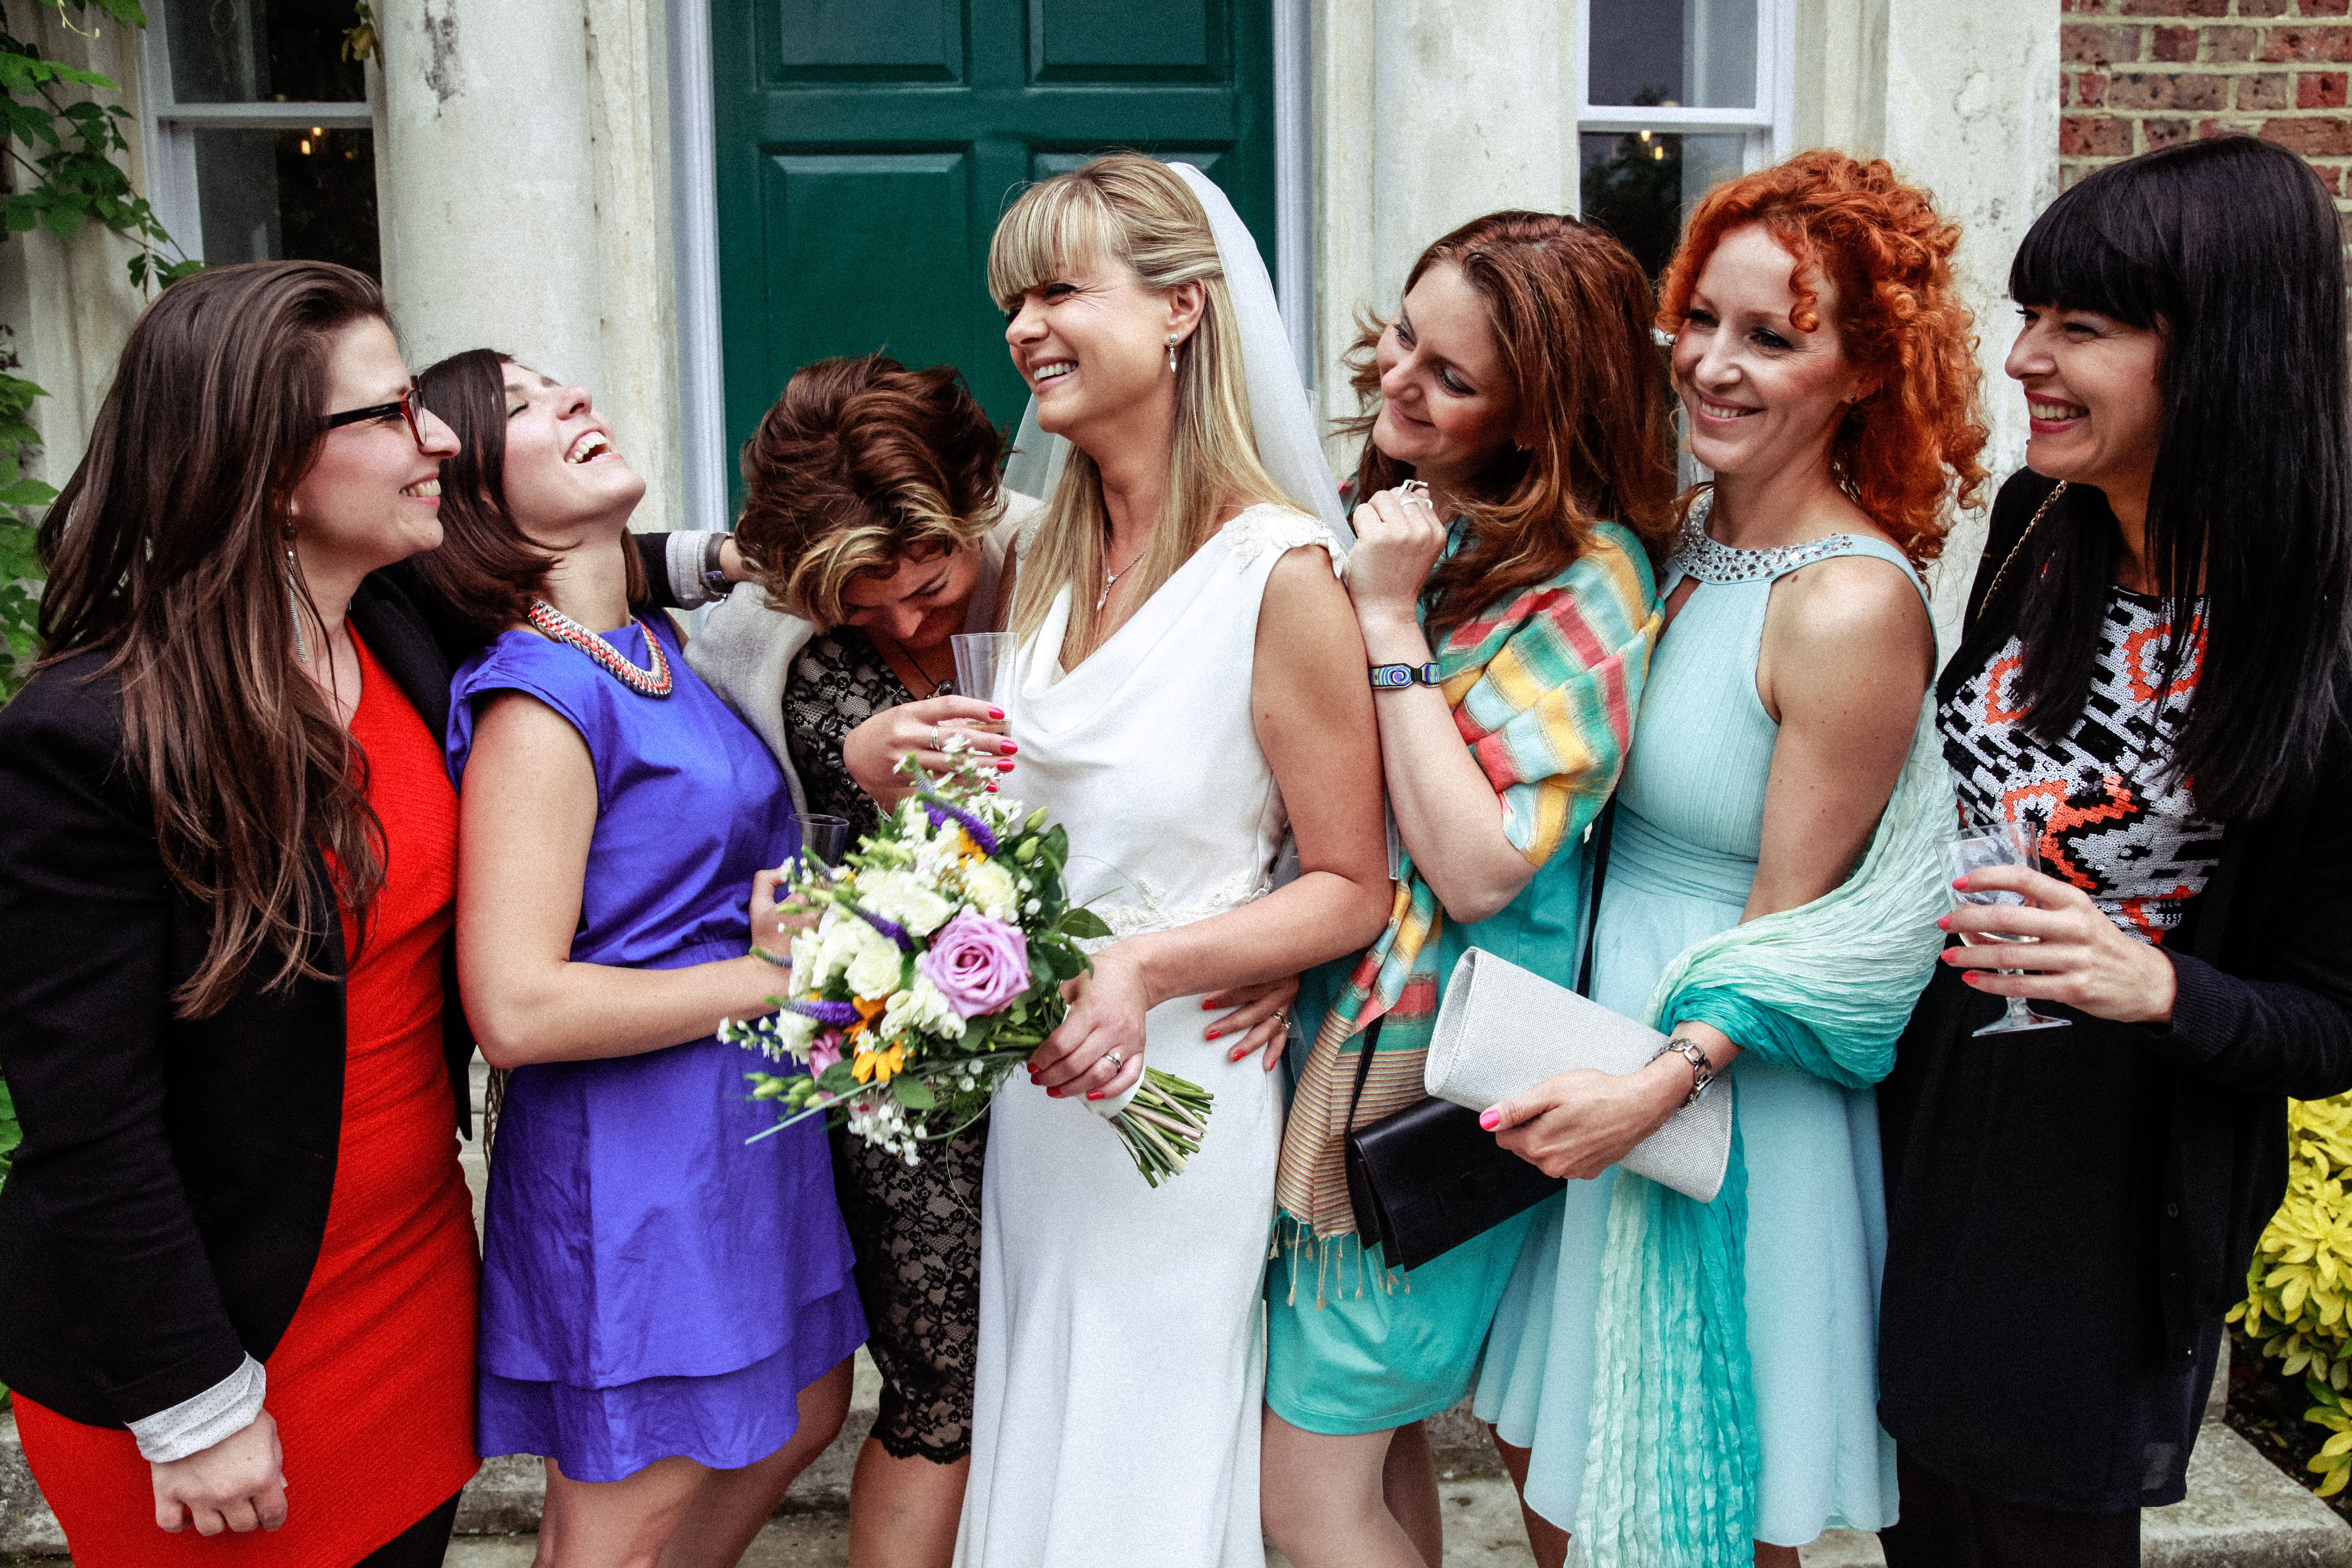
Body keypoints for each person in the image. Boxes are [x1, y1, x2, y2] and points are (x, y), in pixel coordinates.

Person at [669, 352, 1297, 1568]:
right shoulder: (759, 626)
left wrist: (1253, 935)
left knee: (1084, 1357)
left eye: (933, 579)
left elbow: (1215, 764)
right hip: (898, 1046)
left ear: (974, 508)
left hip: (1091, 1022)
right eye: (867, 608)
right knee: (942, 1381)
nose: (910, 621)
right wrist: (848, 787)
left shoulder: (1073, 560)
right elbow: (740, 847)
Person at [1472, 150, 1988, 1566]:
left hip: (1722, 1093)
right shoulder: (1682, 544)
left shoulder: (1847, 607)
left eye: (1774, 336)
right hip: (1593, 1048)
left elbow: (1792, 938)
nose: (1712, 363)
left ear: (1866, 370)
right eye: (1699, 318)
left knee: (1686, 1497)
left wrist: (1660, 1089)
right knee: (1554, 1477)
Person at [1875, 135, 2352, 1568]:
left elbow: (2331, 1021)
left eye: (2080, 327)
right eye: (2032, 317)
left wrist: (2155, 987)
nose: (2023, 358)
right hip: (1927, 1120)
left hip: (2100, 1197)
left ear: (2223, 352)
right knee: (1921, 1532)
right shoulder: (2039, 525)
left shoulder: (2318, 647)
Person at [0, 261, 480, 1566]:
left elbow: (580, 573)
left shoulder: (395, 616)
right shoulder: (91, 732)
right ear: (266, 469)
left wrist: (736, 565)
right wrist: (191, 1403)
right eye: (389, 415)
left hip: (414, 1290)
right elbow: (86, 1118)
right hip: (213, 1339)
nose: (437, 435)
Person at [953, 154, 1391, 1568]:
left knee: (1141, 1457)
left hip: (1178, 1089)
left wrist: (1143, 964)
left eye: (1063, 288)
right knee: (1049, 1421)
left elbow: (1348, 884)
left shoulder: (1279, 573)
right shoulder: (1053, 557)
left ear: (1186, 311)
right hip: (1040, 1096)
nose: (1026, 325)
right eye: (1015, 297)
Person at [1257, 211, 1674, 1568]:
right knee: (1372, 1453)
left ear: (1542, 417)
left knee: (1305, 1496)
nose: (1397, 382)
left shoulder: (1589, 580)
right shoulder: (1425, 519)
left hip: (1433, 1079)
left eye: (1451, 377)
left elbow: (1487, 866)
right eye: (1401, 337)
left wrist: (1386, 625)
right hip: (1344, 1034)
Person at [415, 349, 865, 1568]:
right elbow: (513, 1005)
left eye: (561, 382)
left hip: (743, 1132)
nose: (570, 398)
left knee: (802, 1412)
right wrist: (776, 979)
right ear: (468, 493)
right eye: (517, 405)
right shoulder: (540, 696)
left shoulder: (657, 644)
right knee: (622, 1516)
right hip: (632, 1169)